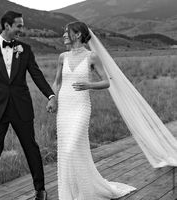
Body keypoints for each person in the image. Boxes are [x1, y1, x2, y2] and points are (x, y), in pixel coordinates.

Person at [0, 11, 56, 200]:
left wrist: (50, 95)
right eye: (19, 25)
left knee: (31, 148)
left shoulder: (25, 49)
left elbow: (36, 74)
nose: (22, 29)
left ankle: (40, 191)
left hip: (21, 107)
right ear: (7, 26)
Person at [52, 21, 136, 199]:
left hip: (81, 106)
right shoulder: (62, 57)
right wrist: (53, 99)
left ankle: (87, 192)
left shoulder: (92, 57)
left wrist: (89, 85)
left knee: (72, 147)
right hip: (64, 108)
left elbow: (106, 81)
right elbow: (57, 82)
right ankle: (72, 191)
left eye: (67, 32)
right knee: (66, 149)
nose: (64, 36)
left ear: (78, 35)